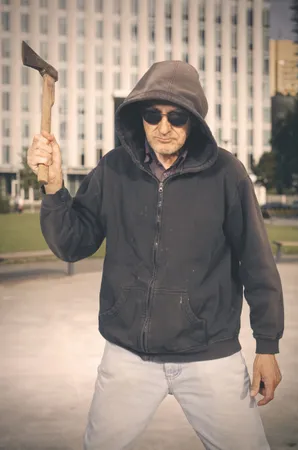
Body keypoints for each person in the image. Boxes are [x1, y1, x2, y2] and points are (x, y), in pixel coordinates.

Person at [27, 60, 284, 450]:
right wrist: (55, 187)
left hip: (209, 357)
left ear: (194, 120)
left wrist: (267, 344)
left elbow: (257, 262)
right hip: (128, 357)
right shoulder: (115, 169)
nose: (164, 127)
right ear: (139, 117)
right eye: (153, 114)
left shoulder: (228, 174)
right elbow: (72, 243)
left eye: (177, 117)